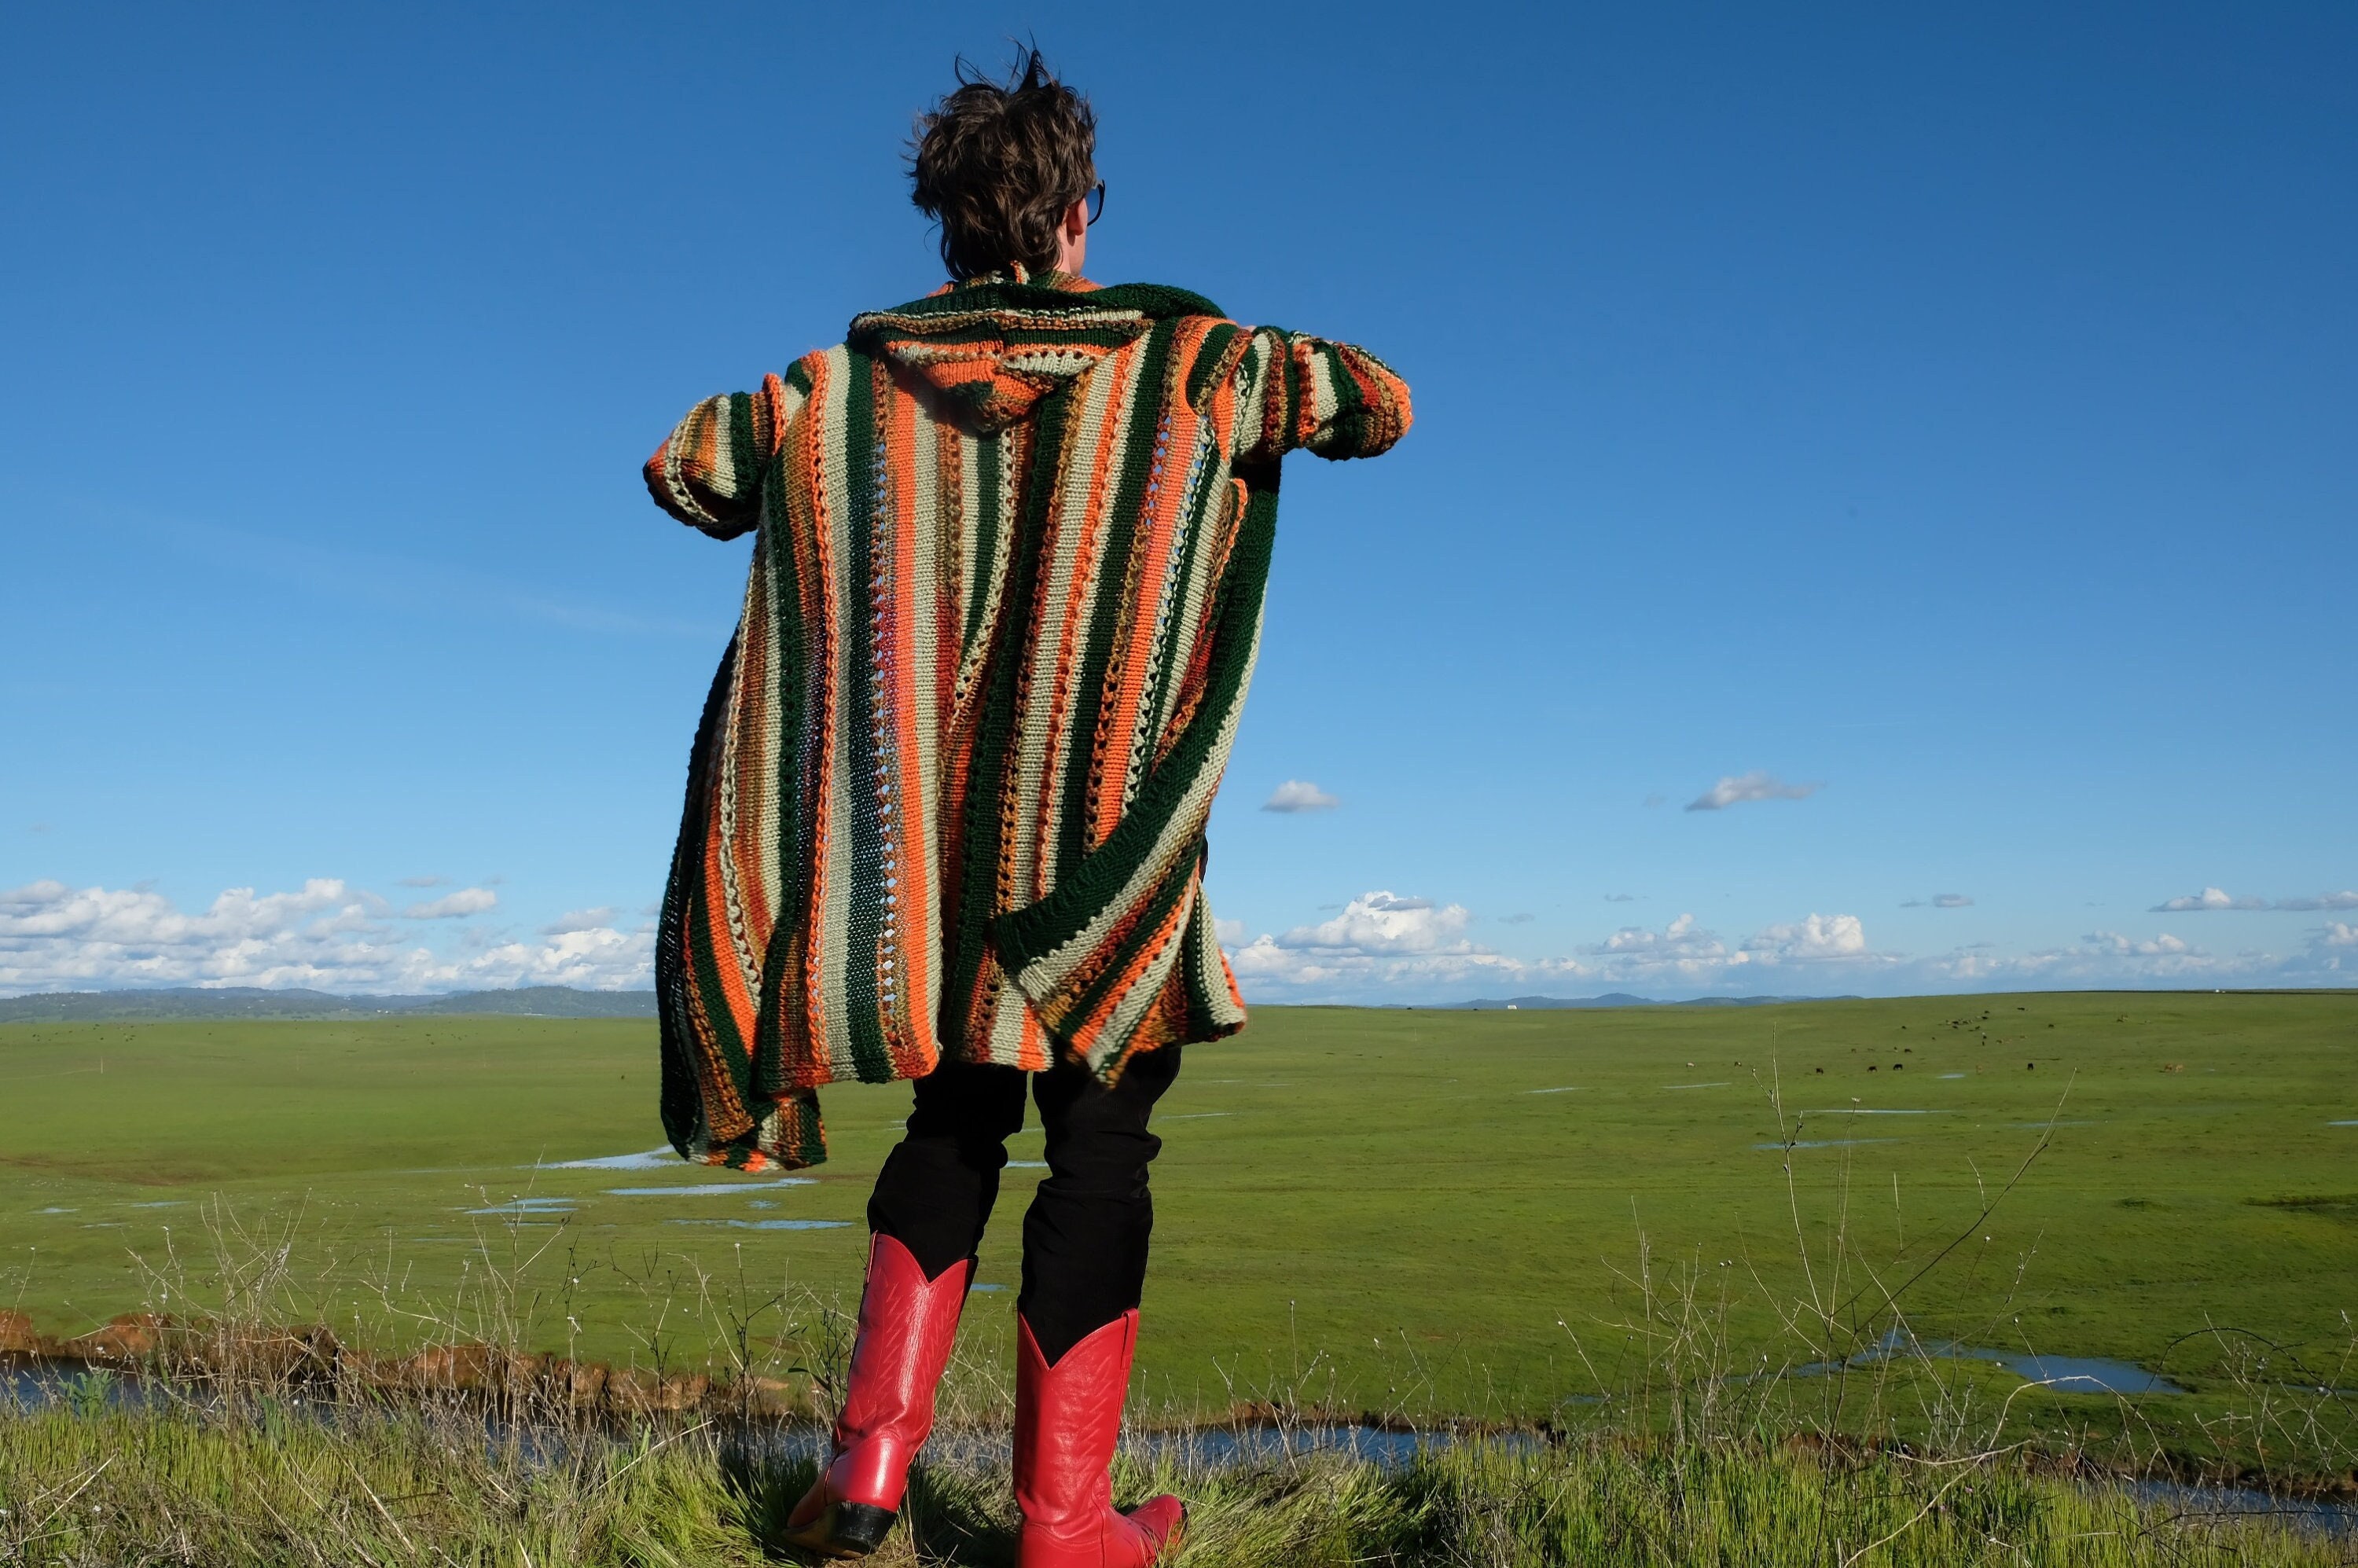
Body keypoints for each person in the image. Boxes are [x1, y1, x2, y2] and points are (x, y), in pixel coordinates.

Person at [641, 51, 1410, 1567]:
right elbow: (1375, 403)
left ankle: (868, 1472)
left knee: (953, 1122)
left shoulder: (834, 389)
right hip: (1105, 869)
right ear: (1075, 210)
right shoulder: (1194, 367)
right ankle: (1066, 1522)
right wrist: (1201, 336)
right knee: (1102, 1154)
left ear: (946, 225)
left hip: (922, 871)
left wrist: (839, 400)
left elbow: (691, 470)